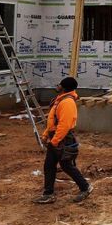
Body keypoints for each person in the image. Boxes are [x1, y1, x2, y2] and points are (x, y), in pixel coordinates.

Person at [33, 76, 93, 204]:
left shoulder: (67, 102)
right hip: (57, 137)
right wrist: (45, 135)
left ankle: (85, 187)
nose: (57, 86)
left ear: (64, 87)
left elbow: (64, 125)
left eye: (59, 84)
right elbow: (52, 122)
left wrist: (54, 141)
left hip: (63, 138)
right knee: (50, 165)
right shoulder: (60, 100)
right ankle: (49, 194)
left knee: (65, 165)